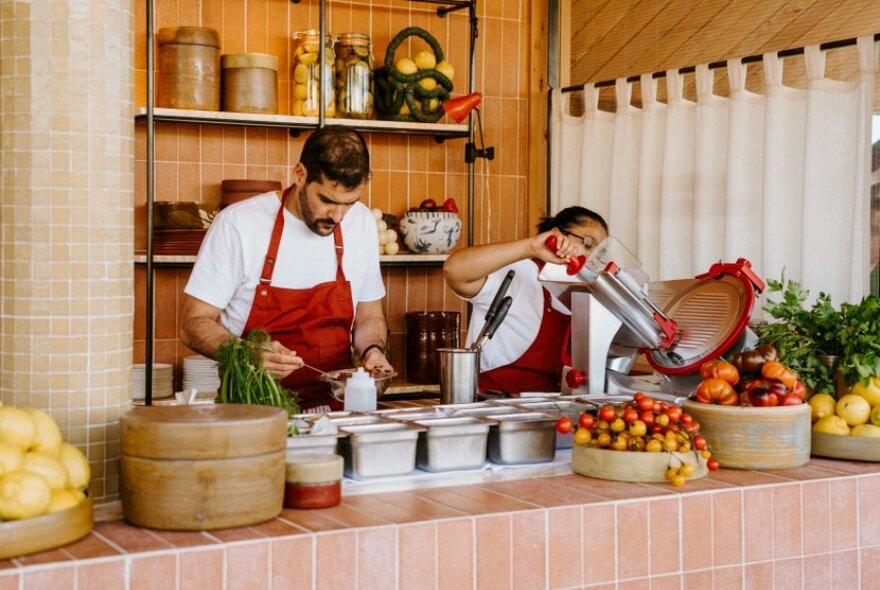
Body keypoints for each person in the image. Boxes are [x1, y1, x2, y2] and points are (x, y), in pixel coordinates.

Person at [180, 125, 393, 411]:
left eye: (349, 204)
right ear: (300, 175)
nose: (338, 216)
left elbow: (369, 316)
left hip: (337, 410)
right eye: (327, 201)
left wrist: (373, 350)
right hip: (253, 409)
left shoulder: (363, 223)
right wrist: (245, 352)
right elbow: (193, 323)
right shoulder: (240, 224)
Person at [443, 207, 609, 394]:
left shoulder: (587, 296)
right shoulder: (519, 271)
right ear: (555, 234)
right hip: (495, 403)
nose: (592, 258)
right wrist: (530, 247)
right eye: (587, 244)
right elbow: (454, 270)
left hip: (555, 407)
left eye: (599, 254)